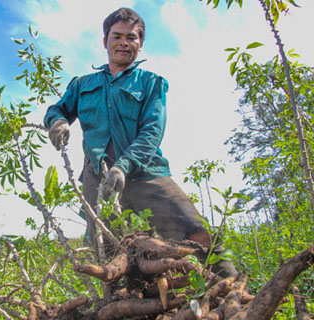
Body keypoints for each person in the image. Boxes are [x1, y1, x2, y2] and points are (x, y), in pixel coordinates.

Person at [44, 8, 238, 277]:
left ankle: (235, 296)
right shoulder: (82, 85)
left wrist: (123, 166)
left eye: (131, 37)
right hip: (98, 184)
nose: (124, 42)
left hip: (146, 174)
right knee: (112, 257)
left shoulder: (150, 83)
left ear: (140, 43)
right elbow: (57, 109)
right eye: (117, 36)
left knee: (199, 235)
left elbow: (151, 133)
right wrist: (57, 122)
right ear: (105, 41)